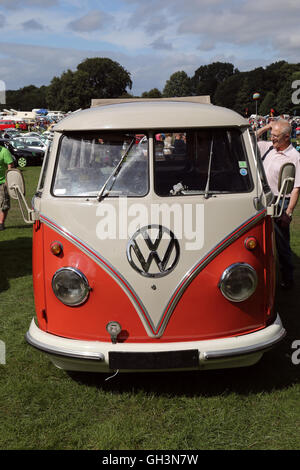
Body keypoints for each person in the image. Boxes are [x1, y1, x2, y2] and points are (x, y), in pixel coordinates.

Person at [257, 119, 300, 289]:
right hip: (264, 197)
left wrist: (288, 213)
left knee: (282, 242)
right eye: (272, 135)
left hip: (281, 200)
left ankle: (288, 278)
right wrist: (268, 127)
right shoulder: (268, 147)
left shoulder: (295, 157)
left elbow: (296, 188)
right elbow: (251, 137)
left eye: (276, 137)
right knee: (261, 238)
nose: (272, 139)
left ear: (287, 137)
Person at [0, 143, 14, 231]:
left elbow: (10, 165)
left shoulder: (4, 151)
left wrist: (8, 180)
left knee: (3, 204)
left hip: (2, 182)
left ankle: (1, 223)